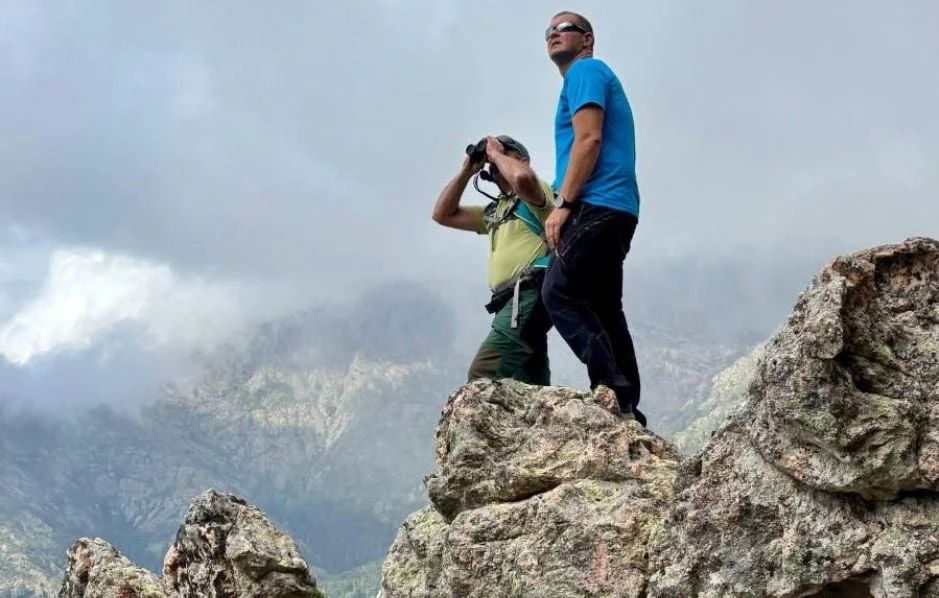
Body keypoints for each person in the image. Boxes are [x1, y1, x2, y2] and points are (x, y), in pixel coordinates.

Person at [540, 11, 647, 426]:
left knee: (559, 293)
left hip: (595, 204)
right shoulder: (590, 75)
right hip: (619, 208)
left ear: (587, 40)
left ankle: (610, 388)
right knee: (604, 307)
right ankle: (627, 408)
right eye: (548, 31)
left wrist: (564, 203)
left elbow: (589, 138)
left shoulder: (585, 71)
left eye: (563, 28)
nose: (553, 34)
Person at [432, 135, 556, 385]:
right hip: (510, 302)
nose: (495, 163)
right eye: (492, 161)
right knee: (528, 386)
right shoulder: (495, 210)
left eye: (505, 154)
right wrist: (467, 171)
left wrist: (495, 154)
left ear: (523, 161)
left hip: (529, 294)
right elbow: (442, 215)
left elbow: (522, 179)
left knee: (483, 372)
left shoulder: (535, 194)